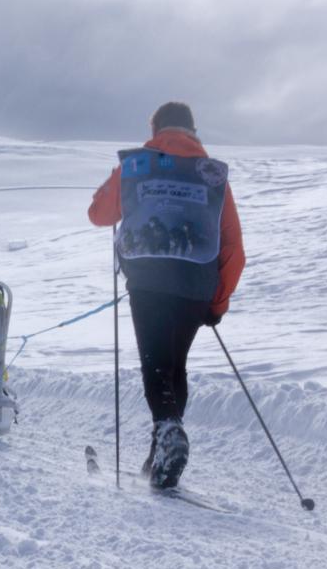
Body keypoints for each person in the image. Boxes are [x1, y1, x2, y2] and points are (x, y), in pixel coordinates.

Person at [88, 102, 245, 489]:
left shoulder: (137, 167)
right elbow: (232, 248)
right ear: (193, 130)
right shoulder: (212, 177)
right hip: (197, 283)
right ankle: (160, 454)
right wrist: (217, 303)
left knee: (155, 362)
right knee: (175, 365)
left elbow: (99, 214)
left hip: (150, 277)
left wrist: (117, 178)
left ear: (156, 129)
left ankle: (168, 432)